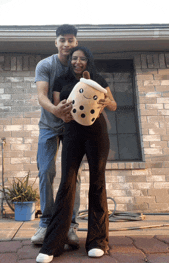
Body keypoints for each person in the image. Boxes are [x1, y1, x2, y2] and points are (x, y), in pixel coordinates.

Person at [36, 46, 117, 263]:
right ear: (70, 60)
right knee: (67, 183)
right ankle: (53, 242)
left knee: (97, 182)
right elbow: (56, 105)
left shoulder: (97, 77)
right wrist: (61, 108)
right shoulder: (61, 79)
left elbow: (114, 104)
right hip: (71, 133)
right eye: (74, 58)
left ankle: (98, 240)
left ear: (87, 60)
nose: (77, 62)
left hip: (97, 133)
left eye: (82, 58)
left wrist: (106, 102)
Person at [32, 24, 82, 246]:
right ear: (56, 43)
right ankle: (45, 223)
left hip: (73, 127)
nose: (66, 44)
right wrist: (55, 111)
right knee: (46, 171)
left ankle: (71, 225)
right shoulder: (45, 65)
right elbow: (41, 95)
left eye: (70, 40)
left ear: (76, 43)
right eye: (62, 40)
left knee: (74, 175)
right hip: (49, 126)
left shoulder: (79, 65)